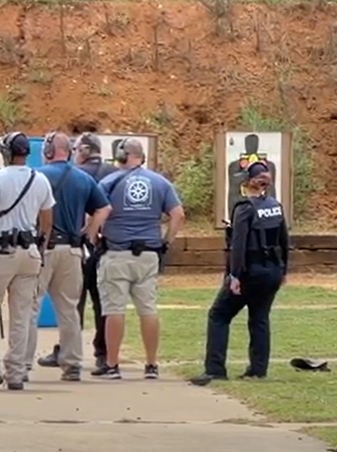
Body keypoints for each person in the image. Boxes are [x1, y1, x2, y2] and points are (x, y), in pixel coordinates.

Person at [0, 132, 55, 391]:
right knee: (22, 315)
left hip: (1, 253)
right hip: (30, 255)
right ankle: (15, 373)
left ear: (7, 153)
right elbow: (47, 220)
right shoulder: (40, 179)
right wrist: (41, 246)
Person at [87, 138, 183, 380]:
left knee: (114, 309)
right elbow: (177, 214)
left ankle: (112, 364)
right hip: (148, 253)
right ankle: (151, 365)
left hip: (116, 252)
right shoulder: (160, 182)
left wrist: (93, 236)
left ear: (121, 155)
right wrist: (166, 242)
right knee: (148, 309)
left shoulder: (109, 181)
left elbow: (101, 211)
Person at [190, 161, 290, 385]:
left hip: (250, 272)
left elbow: (238, 245)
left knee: (218, 315)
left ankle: (215, 369)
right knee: (260, 319)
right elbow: (284, 240)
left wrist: (234, 276)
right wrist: (284, 270)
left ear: (248, 182)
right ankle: (258, 369)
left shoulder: (244, 208)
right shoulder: (276, 205)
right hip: (273, 270)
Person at [30, 132, 111, 380]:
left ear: (48, 151)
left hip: (43, 249)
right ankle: (72, 363)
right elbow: (104, 208)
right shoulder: (83, 178)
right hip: (73, 249)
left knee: (29, 307)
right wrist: (89, 231)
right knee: (68, 309)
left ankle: (21, 365)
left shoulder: (38, 176)